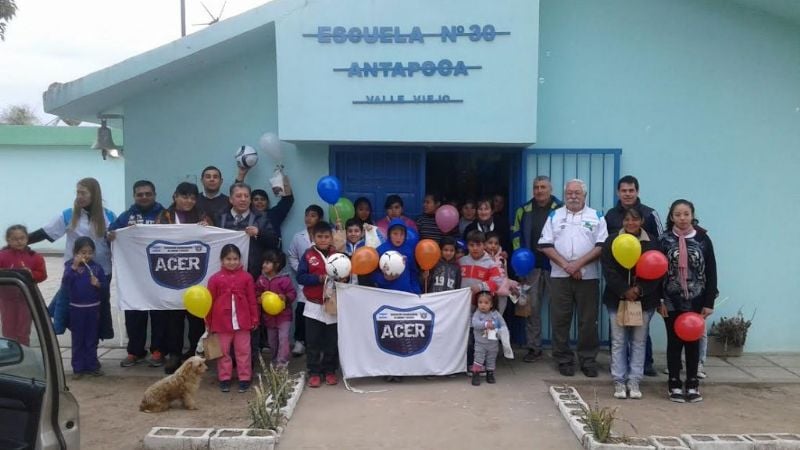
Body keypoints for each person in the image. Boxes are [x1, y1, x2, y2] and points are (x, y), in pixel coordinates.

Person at [27, 177, 115, 341]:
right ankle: (73, 336)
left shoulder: (108, 216)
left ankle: (91, 348)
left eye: (83, 193)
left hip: (102, 271)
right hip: (76, 270)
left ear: (94, 195)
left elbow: (118, 242)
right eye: (77, 192)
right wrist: (20, 242)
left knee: (97, 311)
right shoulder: (68, 215)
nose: (79, 196)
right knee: (67, 305)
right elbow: (45, 232)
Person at [538, 179, 608, 377]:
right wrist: (567, 266)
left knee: (588, 321)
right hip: (560, 276)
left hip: (588, 277)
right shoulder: (554, 215)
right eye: (569, 193)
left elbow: (601, 246)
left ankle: (587, 360)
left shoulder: (596, 216)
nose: (573, 196)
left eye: (577, 193)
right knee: (560, 319)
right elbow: (545, 245)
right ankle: (563, 359)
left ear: (585, 195)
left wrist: (578, 264)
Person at [659, 199, 717, 403]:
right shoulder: (664, 239)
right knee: (674, 343)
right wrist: (660, 300)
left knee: (693, 343)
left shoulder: (703, 238)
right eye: (677, 214)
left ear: (692, 215)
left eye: (686, 214)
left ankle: (692, 383)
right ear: (671, 216)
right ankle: (674, 383)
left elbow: (711, 271)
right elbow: (657, 272)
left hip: (696, 299)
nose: (682, 218)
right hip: (671, 300)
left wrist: (709, 301)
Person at [604, 175, 663, 376]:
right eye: (623, 190)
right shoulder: (610, 215)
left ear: (637, 191)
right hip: (618, 288)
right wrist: (623, 288)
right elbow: (608, 254)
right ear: (618, 192)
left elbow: (658, 252)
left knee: (640, 334)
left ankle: (644, 366)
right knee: (618, 336)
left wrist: (641, 288)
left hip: (644, 289)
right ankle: (618, 372)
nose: (627, 194)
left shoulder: (651, 213)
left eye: (631, 190)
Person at [156, 182, 213, 374]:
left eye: (192, 197)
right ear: (175, 196)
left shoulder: (202, 215)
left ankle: (193, 354)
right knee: (173, 317)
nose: (188, 201)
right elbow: (153, 237)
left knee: (196, 319)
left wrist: (208, 229)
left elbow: (214, 238)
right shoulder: (165, 216)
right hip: (171, 274)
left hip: (195, 275)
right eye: (184, 196)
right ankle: (174, 354)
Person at [108, 180, 166, 368]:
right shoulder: (126, 217)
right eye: (140, 194)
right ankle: (135, 351)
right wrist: (111, 235)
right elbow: (110, 234)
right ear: (134, 196)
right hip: (133, 275)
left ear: (154, 195)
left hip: (159, 272)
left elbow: (177, 235)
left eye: (148, 193)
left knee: (159, 313)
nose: (144, 197)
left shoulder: (165, 214)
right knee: (134, 313)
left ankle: (158, 351)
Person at [512, 175, 563, 363]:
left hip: (556, 266)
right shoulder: (523, 210)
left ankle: (560, 350)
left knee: (559, 309)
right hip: (531, 267)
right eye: (536, 187)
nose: (539, 190)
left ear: (550, 189)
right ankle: (534, 348)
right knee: (531, 309)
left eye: (543, 187)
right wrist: (520, 261)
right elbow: (515, 236)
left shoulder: (560, 209)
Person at [207, 244, 258, 393]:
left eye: (235, 258)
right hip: (221, 323)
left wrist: (254, 318)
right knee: (223, 352)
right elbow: (209, 302)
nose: (232, 262)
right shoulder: (214, 279)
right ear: (222, 260)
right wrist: (209, 322)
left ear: (240, 260)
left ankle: (244, 378)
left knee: (243, 351)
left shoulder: (247, 277)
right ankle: (224, 378)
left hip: (243, 322)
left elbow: (252, 300)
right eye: (228, 259)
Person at [296, 221, 339, 388]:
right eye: (319, 236)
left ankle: (329, 371)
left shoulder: (337, 254)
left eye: (326, 236)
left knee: (331, 340)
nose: (323, 239)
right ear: (313, 237)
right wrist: (317, 279)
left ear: (331, 237)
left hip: (332, 304)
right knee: (313, 341)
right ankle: (314, 372)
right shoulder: (308, 255)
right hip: (313, 305)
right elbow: (300, 277)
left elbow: (345, 273)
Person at [62, 237, 107, 378]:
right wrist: (74, 267)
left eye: (90, 252)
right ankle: (78, 368)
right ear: (75, 253)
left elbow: (105, 287)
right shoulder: (70, 266)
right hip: (76, 309)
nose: (86, 255)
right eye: (83, 252)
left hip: (93, 309)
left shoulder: (97, 267)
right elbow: (65, 282)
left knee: (91, 338)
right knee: (78, 339)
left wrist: (98, 284)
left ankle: (92, 366)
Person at [216, 182, 279, 280]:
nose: (243, 199)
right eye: (238, 196)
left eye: (246, 196)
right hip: (225, 274)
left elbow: (274, 242)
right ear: (231, 199)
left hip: (253, 273)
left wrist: (259, 233)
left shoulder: (260, 218)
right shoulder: (220, 217)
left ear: (250, 200)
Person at [287, 205, 325, 357]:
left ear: (320, 219)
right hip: (305, 280)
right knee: (301, 310)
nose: (308, 218)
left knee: (320, 311)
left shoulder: (327, 236)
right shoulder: (298, 237)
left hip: (322, 281)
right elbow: (292, 256)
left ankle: (318, 342)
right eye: (307, 215)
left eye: (313, 215)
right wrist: (301, 270)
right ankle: (299, 341)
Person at [0, 225, 47, 346]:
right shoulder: (2, 255)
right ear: (8, 240)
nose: (19, 241)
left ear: (27, 238)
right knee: (8, 328)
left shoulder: (35, 257)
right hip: (7, 300)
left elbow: (42, 275)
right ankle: (11, 350)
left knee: (24, 329)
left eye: (22, 238)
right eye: (15, 239)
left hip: (26, 299)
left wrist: (31, 274)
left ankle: (25, 351)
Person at [256, 250, 296, 368]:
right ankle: (274, 360)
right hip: (269, 318)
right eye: (263, 262)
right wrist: (258, 298)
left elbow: (292, 293)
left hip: (284, 316)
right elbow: (256, 291)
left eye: (268, 262)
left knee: (283, 339)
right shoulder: (261, 279)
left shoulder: (284, 279)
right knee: (272, 342)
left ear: (277, 264)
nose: (264, 265)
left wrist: (285, 298)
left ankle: (282, 363)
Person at [236, 167, 295, 248]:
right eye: (256, 199)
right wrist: (241, 175)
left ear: (267, 202)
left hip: (272, 257)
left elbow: (288, 199)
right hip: (251, 256)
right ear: (250, 202)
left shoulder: (274, 215)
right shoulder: (245, 215)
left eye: (263, 199)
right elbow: (235, 197)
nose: (259, 202)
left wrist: (281, 178)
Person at [373, 219, 421, 294]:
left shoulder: (408, 250)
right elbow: (373, 274)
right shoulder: (381, 250)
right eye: (395, 234)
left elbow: (413, 272)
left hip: (406, 293)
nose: (398, 237)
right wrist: (385, 279)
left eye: (402, 234)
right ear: (389, 234)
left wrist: (416, 291)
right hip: (386, 294)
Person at [471, 291, 505, 386]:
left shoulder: (495, 314)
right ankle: (476, 374)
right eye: (480, 302)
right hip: (480, 343)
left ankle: (490, 374)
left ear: (491, 304)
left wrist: (496, 325)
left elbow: (502, 324)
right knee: (478, 358)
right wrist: (486, 324)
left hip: (493, 343)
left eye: (486, 303)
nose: (483, 305)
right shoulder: (477, 314)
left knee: (491, 358)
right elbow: (475, 324)